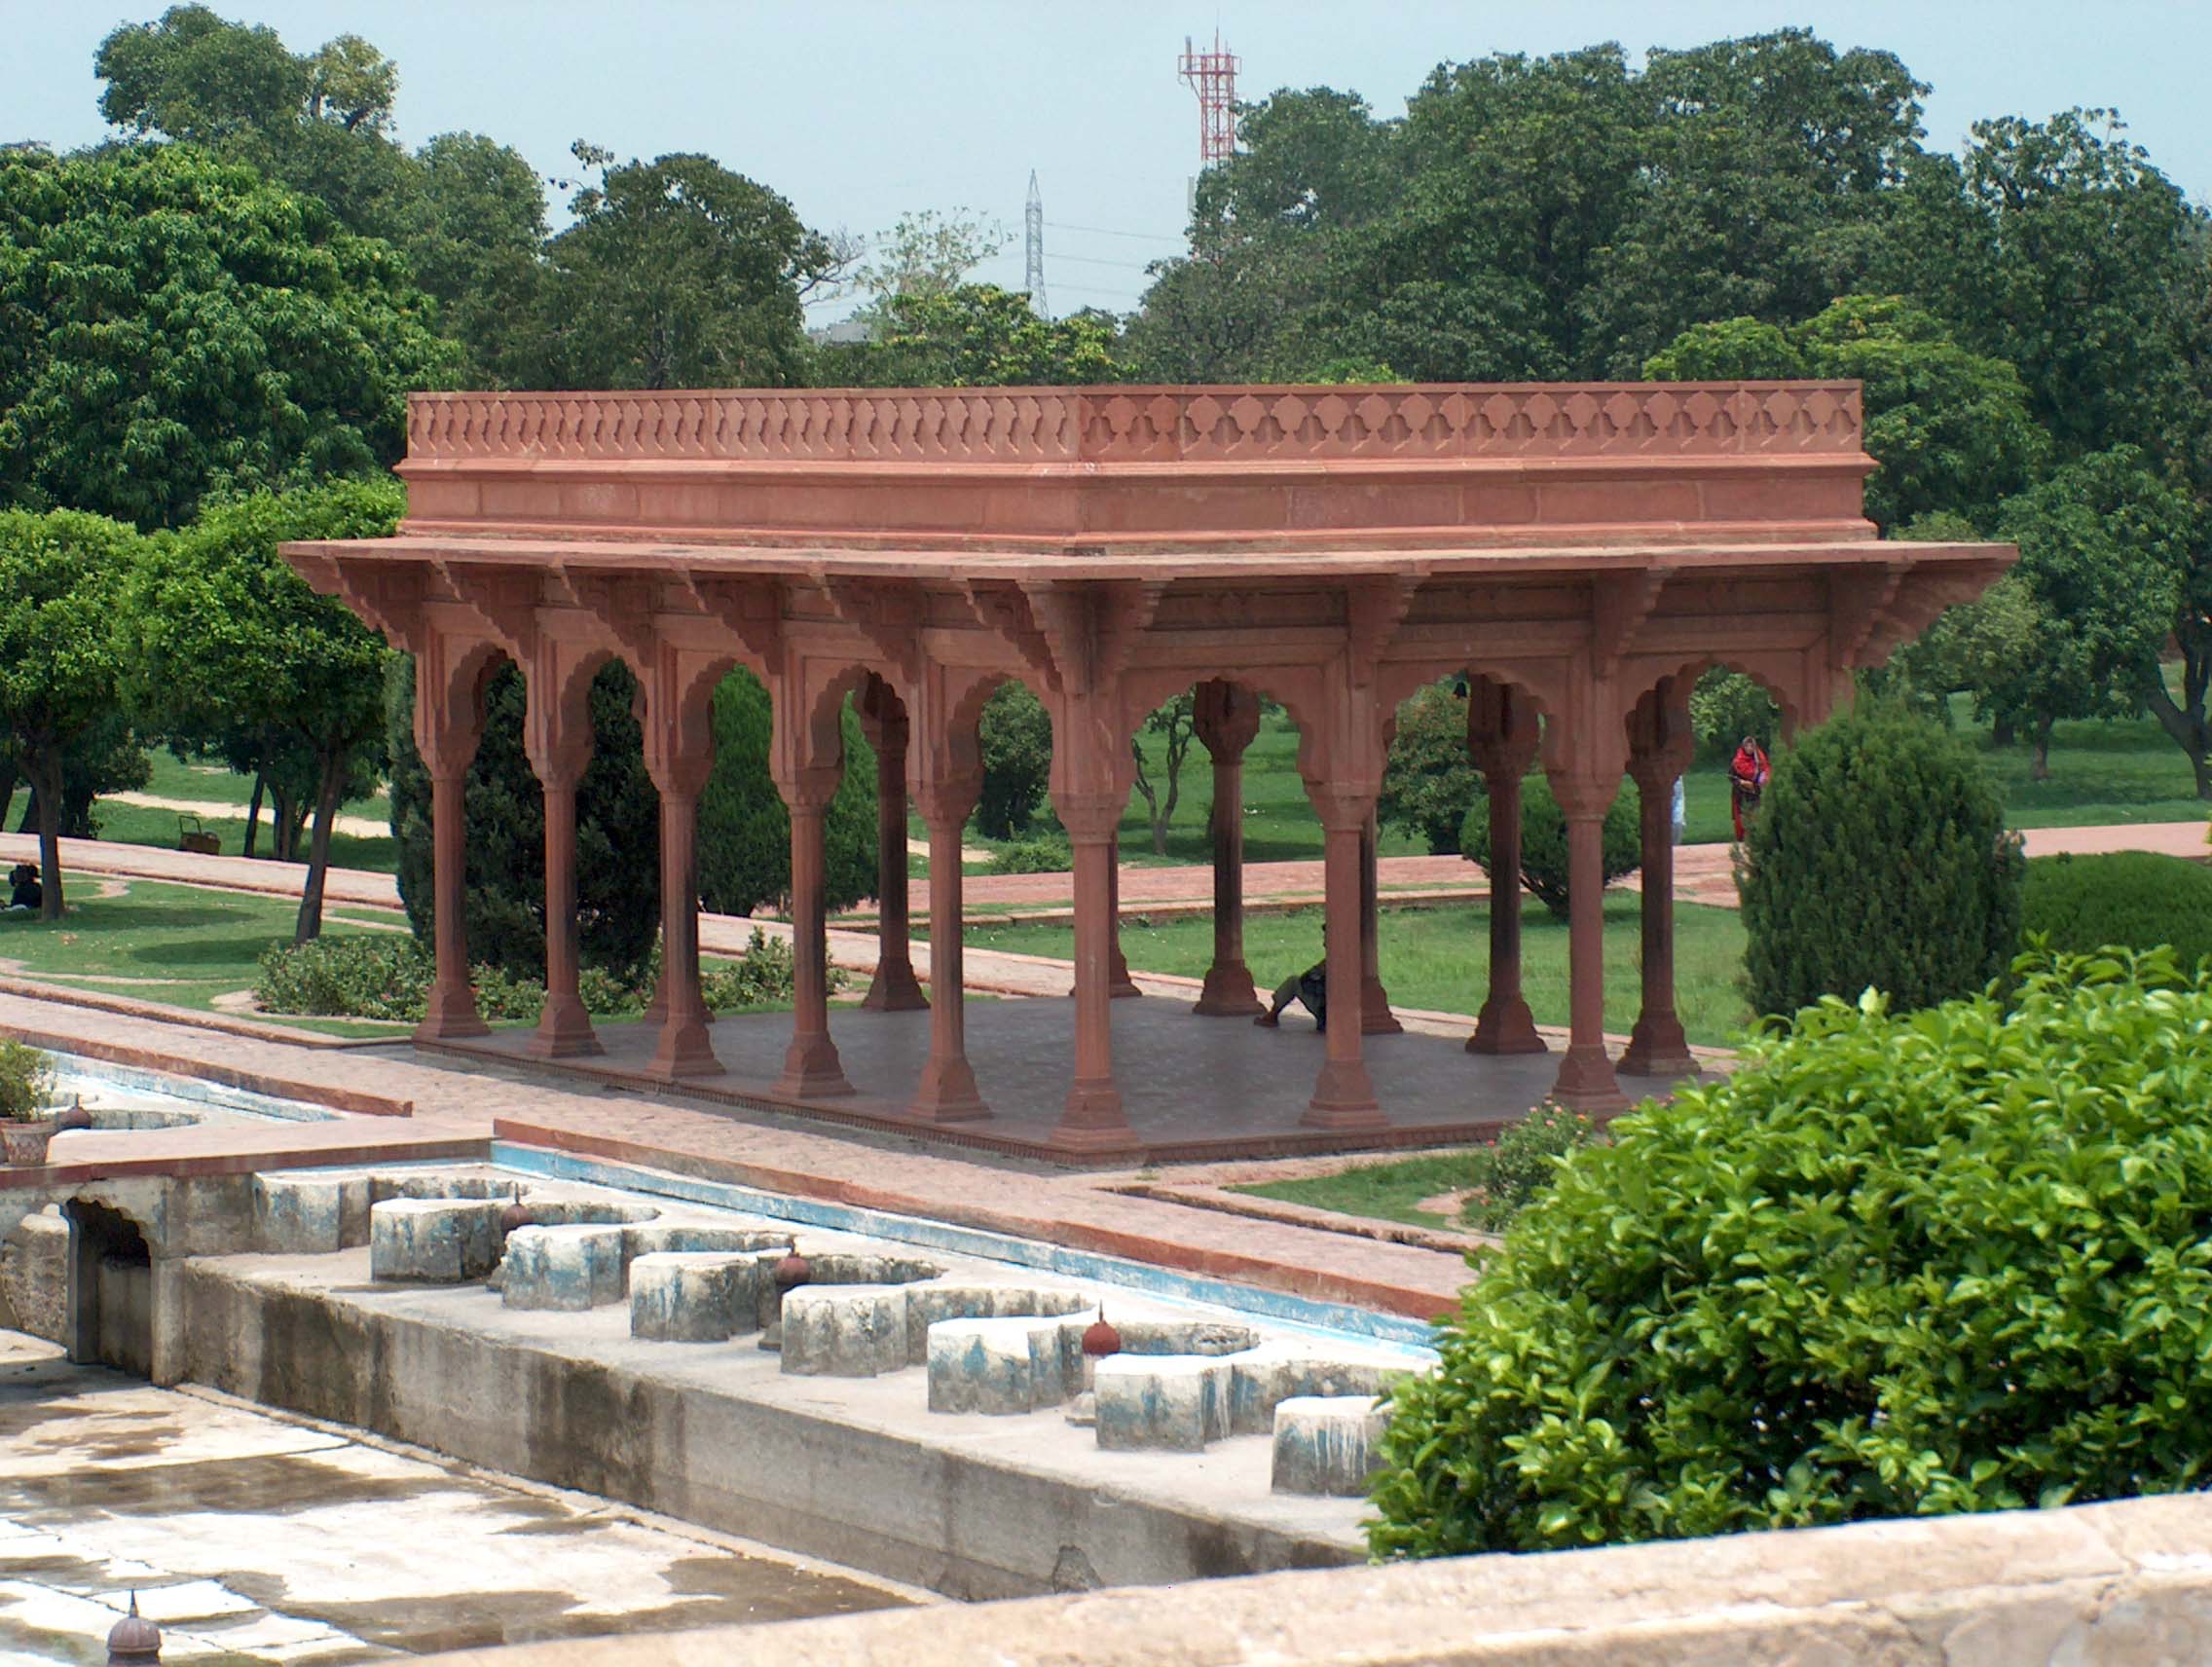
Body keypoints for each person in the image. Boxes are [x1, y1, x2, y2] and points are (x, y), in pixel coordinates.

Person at [1255, 931, 1329, 1033]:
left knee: (1293, 982)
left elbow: (1306, 978)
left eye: (1326, 939)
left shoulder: (1331, 962)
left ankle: (1272, 1015)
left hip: (1327, 1012)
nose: (1324, 944)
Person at [1728, 735, 1770, 841]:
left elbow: (1765, 773)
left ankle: (1755, 838)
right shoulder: (1737, 761)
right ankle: (1742, 839)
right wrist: (1742, 782)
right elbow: (1731, 776)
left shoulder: (1759, 760)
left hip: (1755, 793)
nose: (1749, 748)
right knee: (1742, 817)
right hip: (1740, 793)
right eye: (1747, 746)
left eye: (1752, 746)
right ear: (1743, 747)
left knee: (1755, 815)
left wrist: (1756, 785)